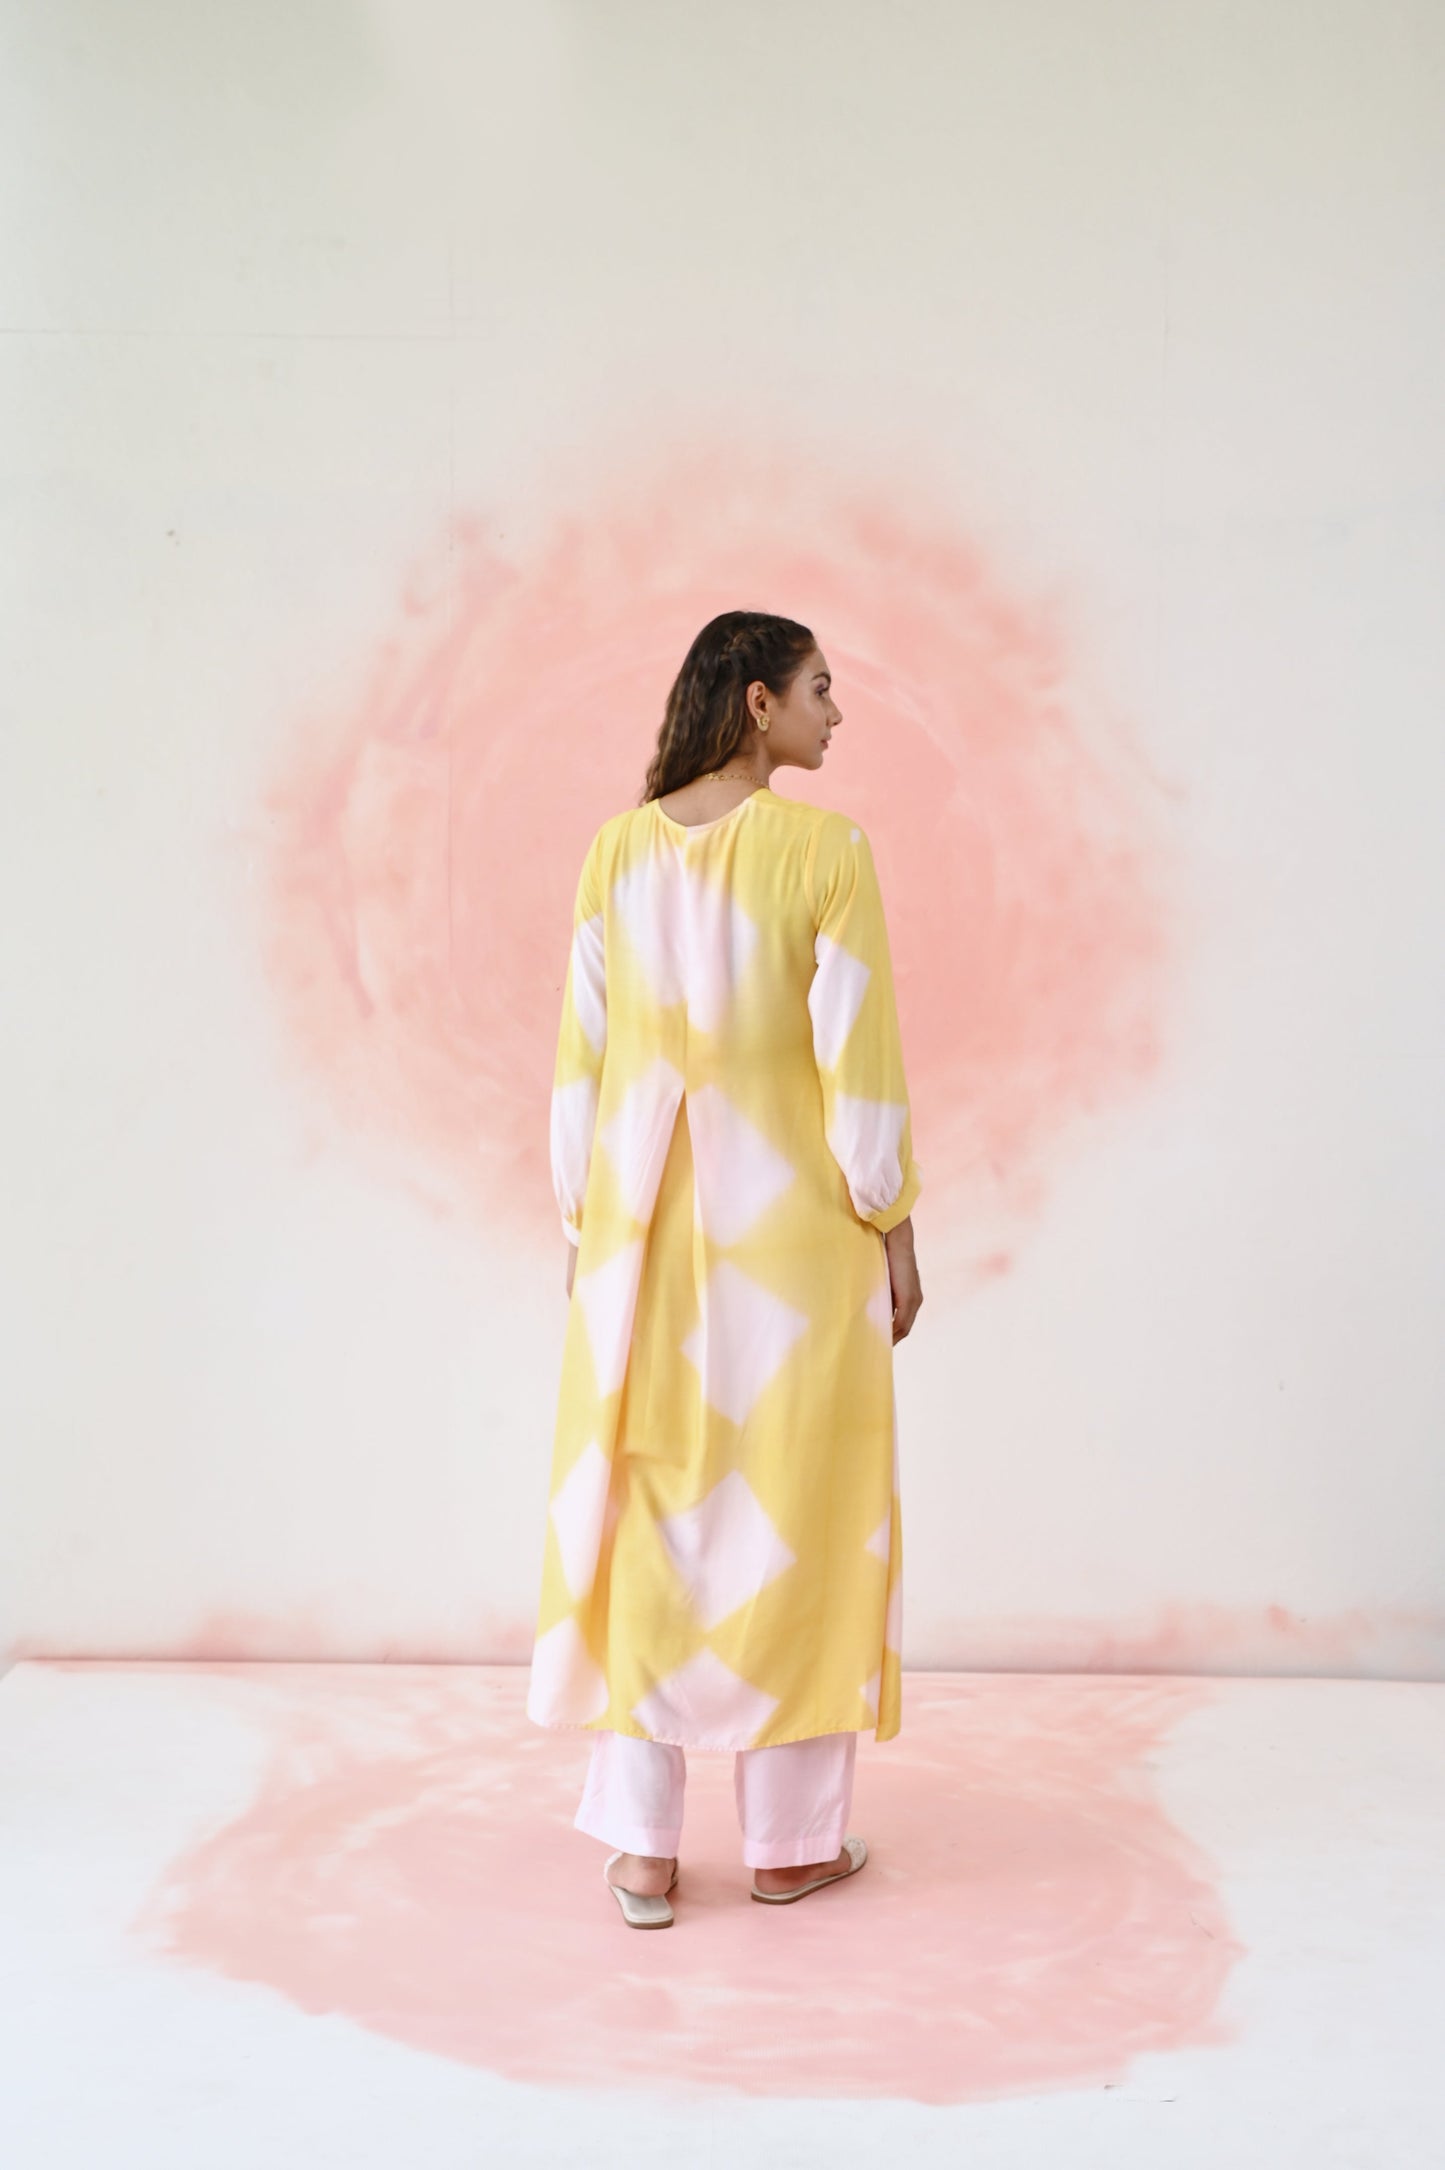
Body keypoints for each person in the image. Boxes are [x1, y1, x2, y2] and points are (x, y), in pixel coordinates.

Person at [525, 609, 924, 1928]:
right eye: (820, 688)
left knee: (646, 1511)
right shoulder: (827, 852)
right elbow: (859, 1066)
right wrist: (894, 1224)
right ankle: (789, 1844)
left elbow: (582, 1064)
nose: (836, 712)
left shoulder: (616, 851)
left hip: (637, 1237)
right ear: (758, 701)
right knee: (798, 1515)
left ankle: (642, 1848)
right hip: (793, 1251)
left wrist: (588, 1233)